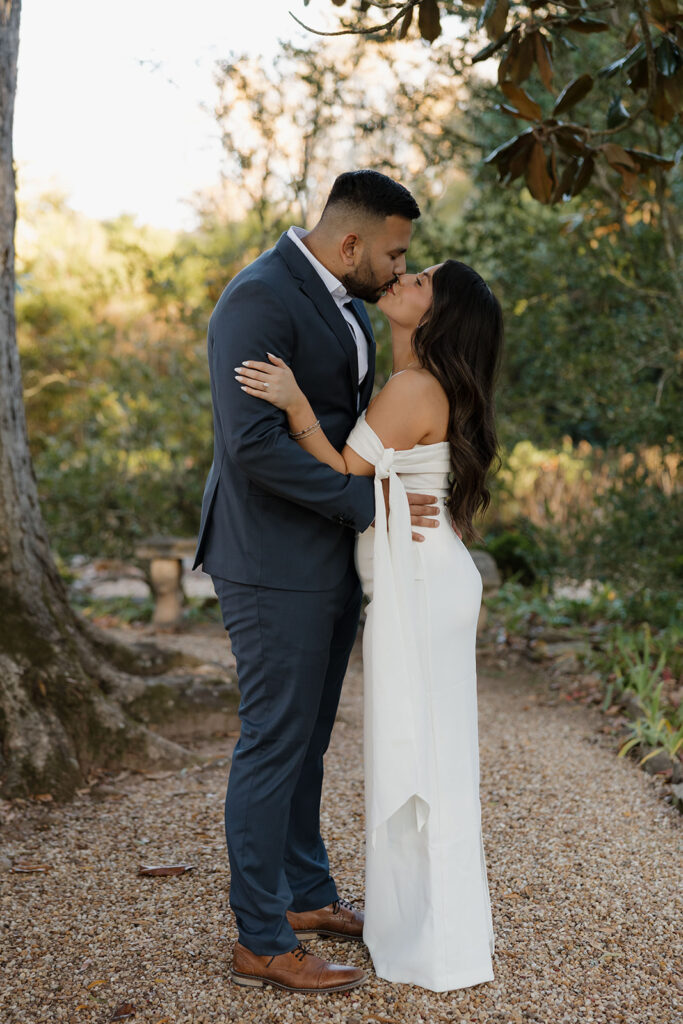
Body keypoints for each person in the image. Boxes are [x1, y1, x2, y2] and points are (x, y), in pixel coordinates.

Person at [192, 170, 443, 995]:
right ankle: (261, 939)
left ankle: (303, 895)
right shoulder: (257, 300)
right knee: (272, 742)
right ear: (350, 244)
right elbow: (252, 447)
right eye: (393, 252)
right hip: (271, 562)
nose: (398, 266)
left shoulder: (343, 305)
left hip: (327, 556)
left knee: (306, 742)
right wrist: (365, 502)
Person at [235, 257, 504, 991]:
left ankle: (428, 937)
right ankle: (428, 927)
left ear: (437, 314)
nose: (403, 279)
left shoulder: (411, 386)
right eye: (407, 269)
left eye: (420, 281)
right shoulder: (419, 384)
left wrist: (293, 403)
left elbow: (338, 474)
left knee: (419, 754)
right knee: (428, 754)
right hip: (426, 576)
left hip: (418, 584)